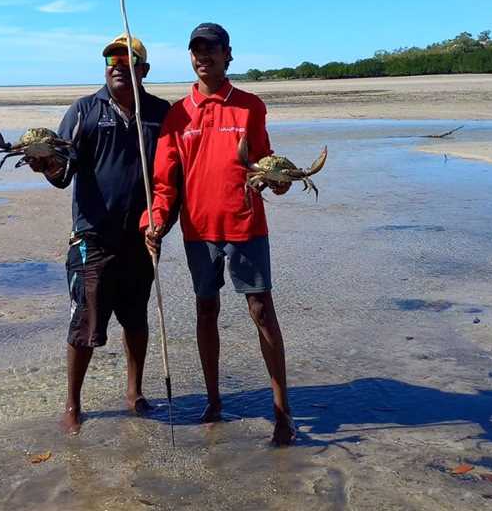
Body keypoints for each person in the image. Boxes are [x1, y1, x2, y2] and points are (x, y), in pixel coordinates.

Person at [142, 23, 296, 445]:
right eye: (196, 49)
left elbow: (263, 163)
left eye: (211, 49)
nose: (203, 56)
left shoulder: (250, 106)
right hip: (198, 231)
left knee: (262, 311)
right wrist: (153, 222)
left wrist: (277, 180)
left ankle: (283, 411)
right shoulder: (179, 114)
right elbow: (164, 183)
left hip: (246, 225)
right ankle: (213, 400)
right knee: (205, 310)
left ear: (228, 55)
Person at [28, 34, 171, 435]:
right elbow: (63, 174)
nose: (117, 66)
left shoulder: (160, 113)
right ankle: (73, 404)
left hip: (141, 238)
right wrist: (46, 166)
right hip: (92, 238)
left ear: (143, 70)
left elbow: (172, 175)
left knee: (137, 319)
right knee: (84, 324)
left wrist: (162, 223)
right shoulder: (84, 111)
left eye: (128, 61)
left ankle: (135, 392)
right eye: (111, 59)